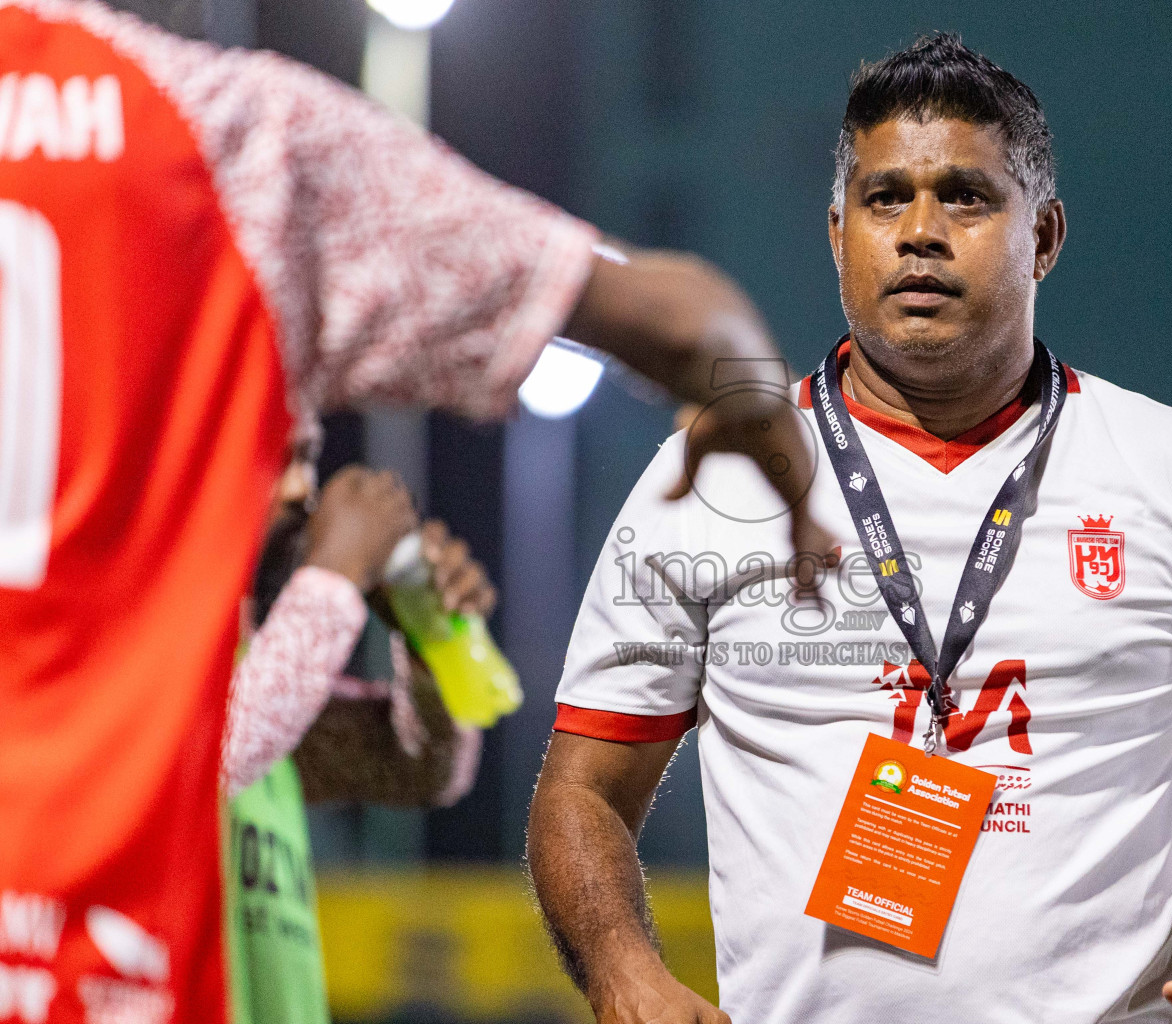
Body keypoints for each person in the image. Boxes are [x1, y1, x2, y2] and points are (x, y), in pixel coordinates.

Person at [0, 2, 827, 1021]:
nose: (296, 475)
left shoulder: (213, 647)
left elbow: (408, 763)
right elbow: (672, 312)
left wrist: (423, 645)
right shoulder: (234, 133)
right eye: (284, 440)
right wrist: (785, 458)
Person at [528, 34, 1172, 1024]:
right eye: (886, 199)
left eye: (966, 195)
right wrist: (624, 975)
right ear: (837, 233)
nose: (921, 230)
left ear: (1044, 236)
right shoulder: (715, 478)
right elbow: (580, 791)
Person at [222, 449, 489, 1024]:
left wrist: (424, 632)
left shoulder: (258, 673)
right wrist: (337, 572)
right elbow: (207, 758)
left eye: (307, 458)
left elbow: (422, 768)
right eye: (275, 451)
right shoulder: (123, 658)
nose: (300, 488)